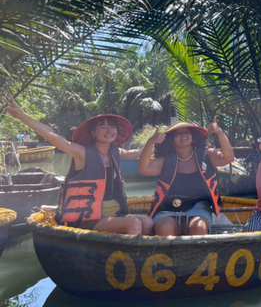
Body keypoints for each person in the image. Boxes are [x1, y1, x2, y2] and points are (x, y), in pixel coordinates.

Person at [2, 95, 153, 235]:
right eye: (103, 127)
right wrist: (21, 116)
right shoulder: (82, 153)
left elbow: (139, 152)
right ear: (93, 133)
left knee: (147, 222)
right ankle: (129, 259)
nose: (109, 130)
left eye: (112, 126)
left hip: (115, 214)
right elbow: (51, 135)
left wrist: (155, 141)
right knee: (133, 224)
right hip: (88, 218)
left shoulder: (116, 152)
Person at [138, 117, 234, 236]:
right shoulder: (166, 160)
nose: (183, 135)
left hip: (199, 207)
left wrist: (219, 132)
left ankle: (198, 254)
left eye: (186, 132)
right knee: (165, 228)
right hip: (167, 208)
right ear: (172, 139)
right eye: (178, 133)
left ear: (192, 136)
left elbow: (228, 158)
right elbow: (143, 169)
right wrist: (150, 142)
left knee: (198, 228)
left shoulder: (206, 155)